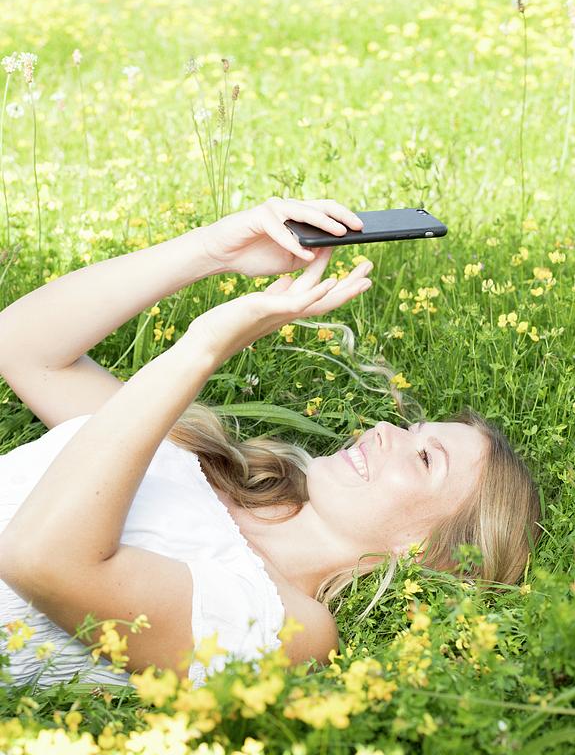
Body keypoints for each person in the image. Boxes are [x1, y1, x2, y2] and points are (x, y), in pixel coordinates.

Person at [0, 197, 542, 690]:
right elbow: (24, 347)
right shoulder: (197, 461)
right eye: (410, 429)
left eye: (425, 458)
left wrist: (206, 348)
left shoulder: (293, 627)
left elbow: (42, 562)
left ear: (432, 553)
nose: (385, 432)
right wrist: (211, 250)